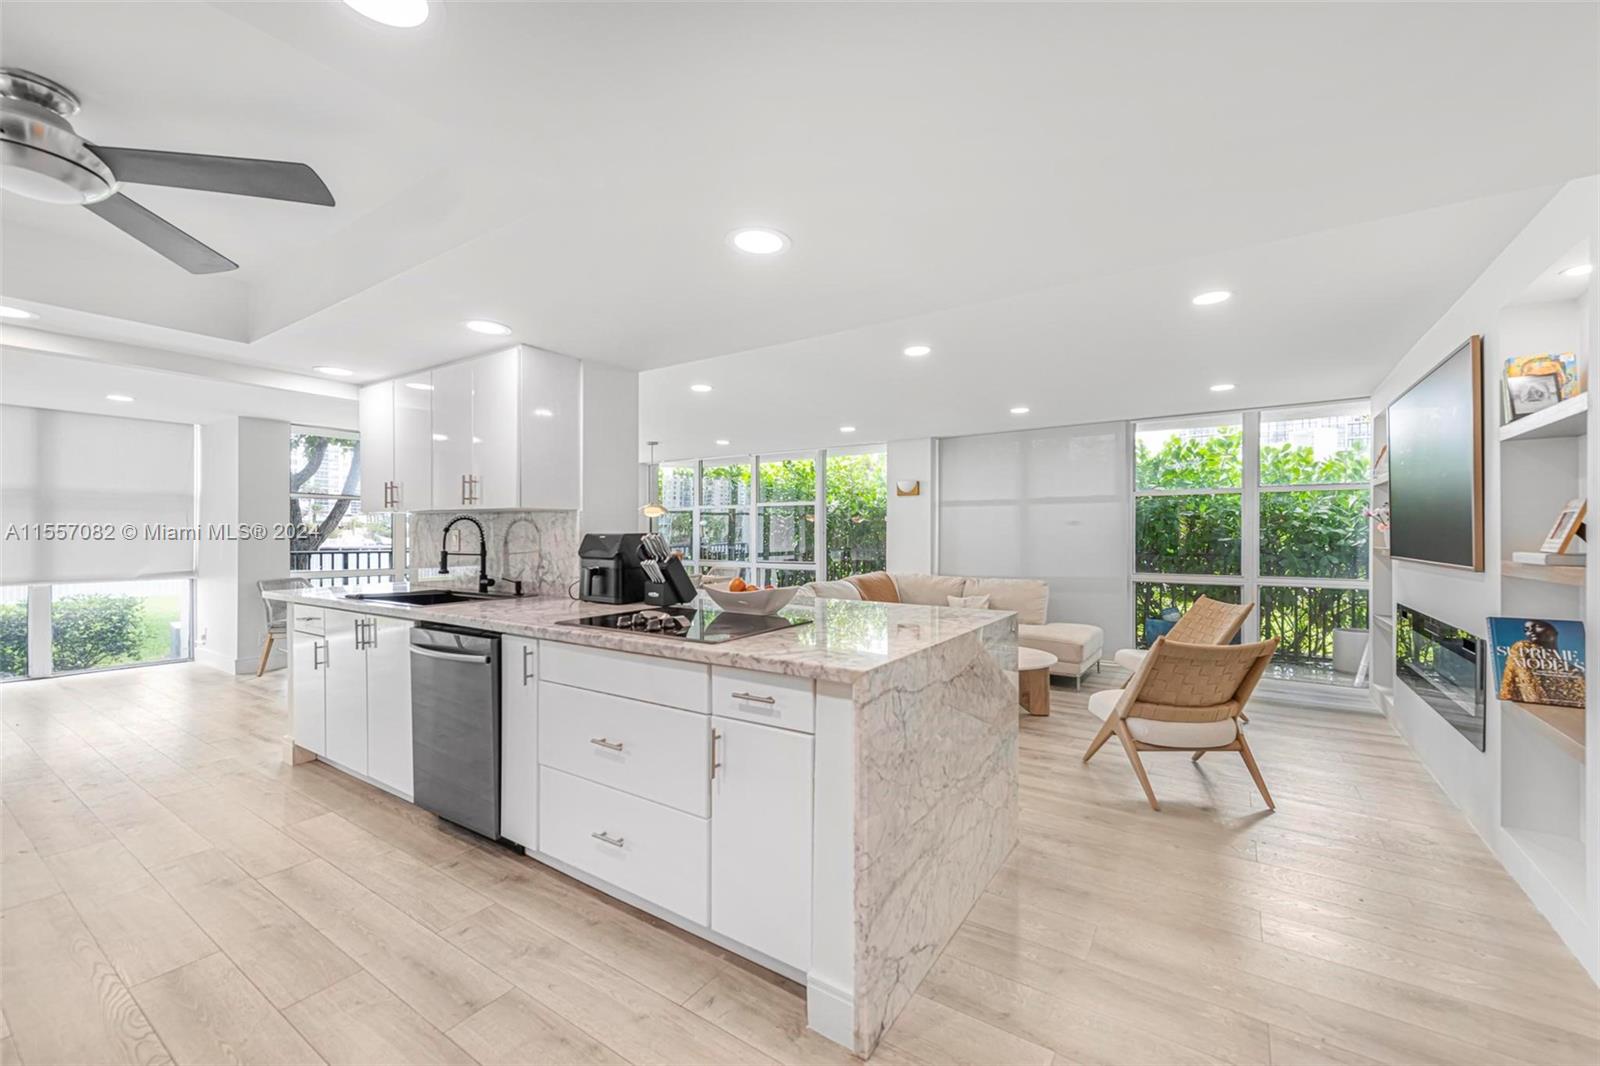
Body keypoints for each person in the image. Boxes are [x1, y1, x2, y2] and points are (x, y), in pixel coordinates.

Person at [1499, 619, 1584, 707]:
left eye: (1537, 626)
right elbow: (1531, 692)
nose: (1530, 631)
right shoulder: (1523, 648)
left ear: (1554, 632)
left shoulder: (1573, 669)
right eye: (1526, 630)